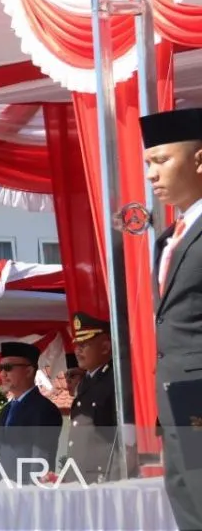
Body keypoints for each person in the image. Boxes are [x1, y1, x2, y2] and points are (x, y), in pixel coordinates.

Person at [140, 107, 202, 530]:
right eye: (148, 163)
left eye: (162, 160)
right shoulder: (168, 239)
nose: (151, 174)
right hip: (175, 392)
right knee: (186, 498)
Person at [63, 312, 125, 483]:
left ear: (105, 347)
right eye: (77, 344)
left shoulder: (115, 381)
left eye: (84, 344)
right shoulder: (86, 382)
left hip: (102, 479)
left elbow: (120, 439)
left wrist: (114, 481)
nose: (78, 350)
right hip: (81, 478)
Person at [0, 341, 62, 483]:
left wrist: (32, 492)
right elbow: (0, 455)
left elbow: (40, 462)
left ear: (29, 371)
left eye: (8, 368)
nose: (2, 374)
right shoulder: (6, 409)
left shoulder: (44, 410)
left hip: (26, 491)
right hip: (3, 489)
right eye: (0, 368)